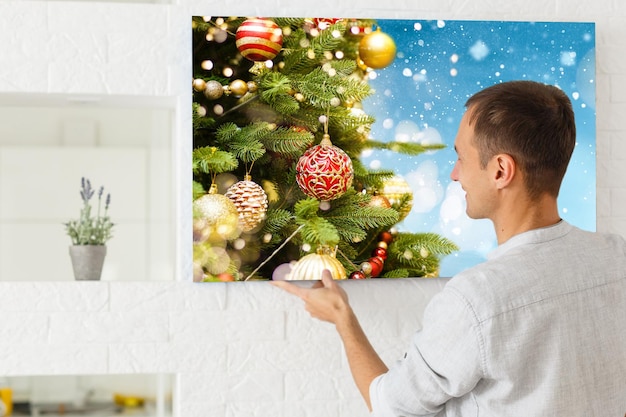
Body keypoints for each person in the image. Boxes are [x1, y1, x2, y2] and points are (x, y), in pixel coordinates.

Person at [272, 80, 626, 416]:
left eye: (462, 158)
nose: (455, 174)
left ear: (501, 170)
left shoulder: (477, 298)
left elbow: (391, 406)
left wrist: (342, 318)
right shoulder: (616, 257)